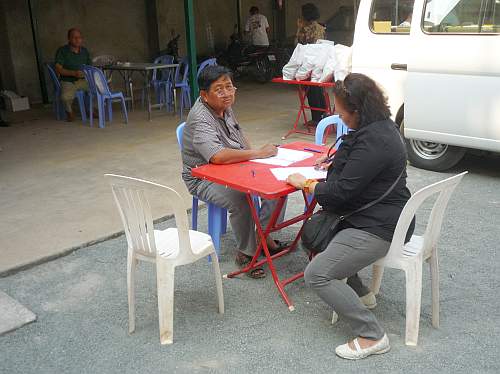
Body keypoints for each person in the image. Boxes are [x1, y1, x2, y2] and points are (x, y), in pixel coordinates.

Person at [287, 73, 415, 360]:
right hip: (380, 216)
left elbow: (341, 193)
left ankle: (372, 334)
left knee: (317, 274)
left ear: (358, 110)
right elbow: (360, 171)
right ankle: (361, 294)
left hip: (379, 226)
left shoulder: (373, 140)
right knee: (331, 237)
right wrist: (336, 161)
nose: (339, 116)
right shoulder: (381, 127)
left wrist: (306, 184)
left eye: (342, 112)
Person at [181, 65, 288, 279]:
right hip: (202, 176)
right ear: (204, 94)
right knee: (241, 198)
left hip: (232, 168)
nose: (227, 93)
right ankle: (246, 253)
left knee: (279, 183)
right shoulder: (200, 117)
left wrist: (256, 157)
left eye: (229, 87)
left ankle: (264, 236)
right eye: (219, 89)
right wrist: (257, 153)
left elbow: (239, 137)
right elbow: (216, 156)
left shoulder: (224, 106)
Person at [296, 3, 327, 126]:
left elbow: (300, 44)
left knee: (311, 91)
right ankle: (324, 115)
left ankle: (316, 118)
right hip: (321, 63)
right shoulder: (321, 27)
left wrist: (299, 28)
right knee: (320, 90)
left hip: (309, 64)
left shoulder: (305, 28)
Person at [54, 28, 92, 122]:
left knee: (97, 89)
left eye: (79, 37)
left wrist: (86, 74)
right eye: (74, 37)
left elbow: (89, 66)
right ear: (69, 39)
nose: (77, 39)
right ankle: (69, 112)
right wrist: (73, 73)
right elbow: (58, 69)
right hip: (68, 80)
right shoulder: (62, 51)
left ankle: (91, 110)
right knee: (65, 97)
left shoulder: (84, 51)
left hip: (83, 80)